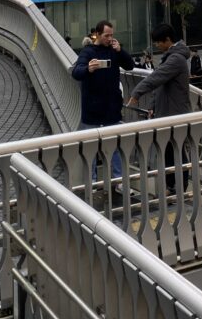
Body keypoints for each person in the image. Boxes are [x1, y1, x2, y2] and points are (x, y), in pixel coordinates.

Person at [127, 24, 191, 195]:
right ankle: (172, 186)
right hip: (167, 113)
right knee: (169, 151)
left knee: (176, 152)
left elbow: (156, 77)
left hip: (175, 114)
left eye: (158, 42)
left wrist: (136, 93)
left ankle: (180, 187)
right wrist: (152, 107)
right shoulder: (171, 56)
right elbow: (161, 85)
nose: (156, 46)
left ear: (168, 40)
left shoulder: (175, 59)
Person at [71, 20, 135, 187]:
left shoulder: (114, 51)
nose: (110, 38)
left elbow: (130, 66)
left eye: (112, 35)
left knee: (115, 147)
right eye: (107, 35)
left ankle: (118, 181)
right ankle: (91, 183)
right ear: (97, 35)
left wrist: (120, 51)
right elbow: (76, 73)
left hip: (111, 109)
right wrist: (88, 69)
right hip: (92, 110)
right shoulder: (88, 51)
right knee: (91, 149)